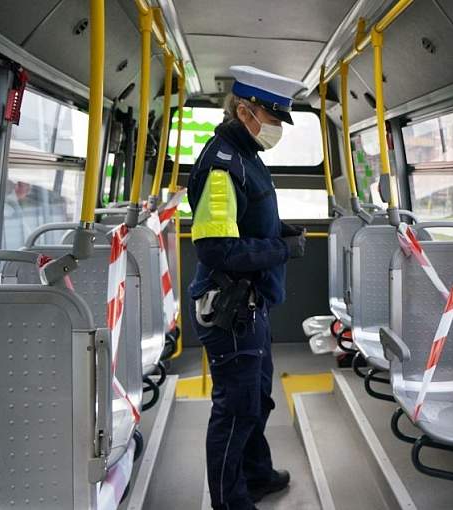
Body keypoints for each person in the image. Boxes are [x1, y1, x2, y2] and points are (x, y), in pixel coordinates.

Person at [187, 65, 307, 510]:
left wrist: (280, 229)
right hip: (231, 309)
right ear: (244, 110)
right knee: (235, 413)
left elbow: (248, 219)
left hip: (251, 307)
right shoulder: (222, 165)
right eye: (272, 118)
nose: (276, 128)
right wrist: (281, 248)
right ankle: (230, 503)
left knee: (257, 400)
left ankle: (256, 474)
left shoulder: (246, 156)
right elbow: (218, 250)